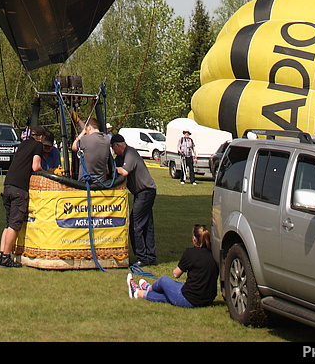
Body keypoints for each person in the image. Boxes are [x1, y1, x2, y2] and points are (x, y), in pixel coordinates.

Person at [0, 129, 55, 267]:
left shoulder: (23, 144)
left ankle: (0, 255)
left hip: (8, 185)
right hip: (19, 189)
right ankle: (6, 257)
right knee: (14, 224)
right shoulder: (37, 146)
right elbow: (36, 166)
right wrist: (46, 173)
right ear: (41, 137)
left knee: (7, 224)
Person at [128, 223, 217, 307]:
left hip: (190, 298)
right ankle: (140, 292)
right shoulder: (213, 254)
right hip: (207, 299)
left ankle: (145, 289)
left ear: (194, 239)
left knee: (164, 281)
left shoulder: (191, 253)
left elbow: (176, 274)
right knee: (169, 296)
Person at [111, 132, 157, 266]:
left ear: (119, 145)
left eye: (114, 148)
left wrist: (113, 168)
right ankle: (151, 257)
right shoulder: (120, 157)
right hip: (142, 192)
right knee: (147, 225)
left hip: (145, 191)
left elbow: (124, 172)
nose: (114, 151)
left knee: (135, 225)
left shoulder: (130, 153)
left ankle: (142, 257)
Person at [72, 119, 114, 184]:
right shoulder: (107, 139)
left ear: (89, 128)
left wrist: (83, 132)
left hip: (85, 182)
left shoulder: (85, 139)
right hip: (101, 182)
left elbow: (74, 147)